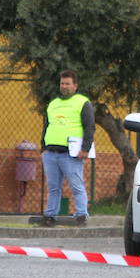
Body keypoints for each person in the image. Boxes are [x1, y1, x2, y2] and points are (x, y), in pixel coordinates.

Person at [40, 69, 93, 227]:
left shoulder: (83, 102)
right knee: (53, 187)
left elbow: (89, 127)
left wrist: (85, 148)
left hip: (71, 153)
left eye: (67, 84)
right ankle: (50, 215)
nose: (64, 86)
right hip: (51, 153)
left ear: (75, 86)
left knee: (76, 185)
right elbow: (46, 125)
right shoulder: (53, 104)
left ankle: (81, 215)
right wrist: (43, 147)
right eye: (62, 83)